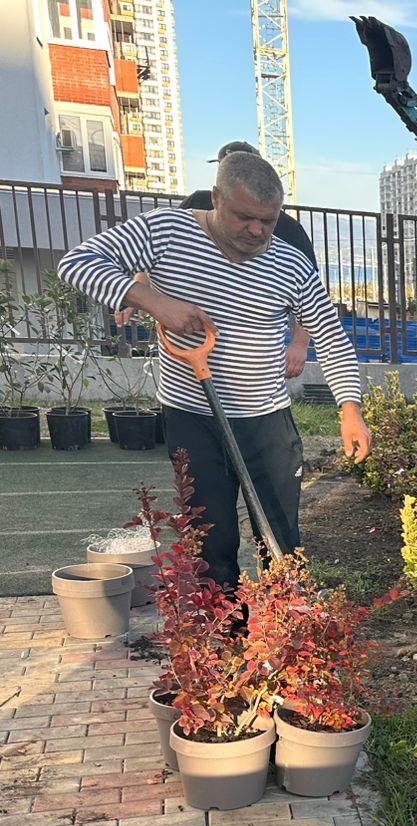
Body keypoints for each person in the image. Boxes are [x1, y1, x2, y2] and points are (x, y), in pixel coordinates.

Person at [60, 151, 371, 591]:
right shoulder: (166, 231)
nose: (258, 230)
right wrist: (153, 301)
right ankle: (227, 627)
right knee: (211, 543)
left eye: (268, 220)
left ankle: (285, 621)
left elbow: (331, 335)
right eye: (245, 217)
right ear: (217, 197)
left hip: (267, 418)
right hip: (193, 416)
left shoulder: (290, 263)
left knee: (282, 538)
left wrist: (350, 409)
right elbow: (76, 263)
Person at [118, 141, 318, 379]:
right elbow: (154, 255)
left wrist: (299, 344)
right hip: (189, 350)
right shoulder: (194, 206)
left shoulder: (287, 228)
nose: (256, 229)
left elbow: (310, 298)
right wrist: (141, 295)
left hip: (255, 359)